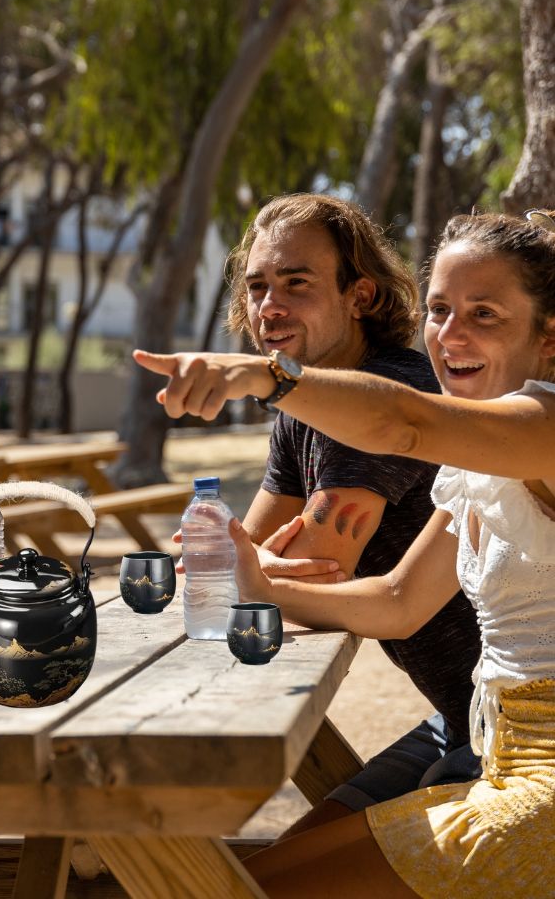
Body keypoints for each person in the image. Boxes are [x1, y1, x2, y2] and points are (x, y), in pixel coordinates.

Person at [137, 209, 555, 896]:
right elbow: (398, 600)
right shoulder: (481, 458)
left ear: (548, 333)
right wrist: (260, 583)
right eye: (442, 309)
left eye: (484, 314)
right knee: (240, 880)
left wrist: (263, 375)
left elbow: (403, 421)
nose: (449, 338)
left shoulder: (544, 423)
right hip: (489, 738)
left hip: (533, 780)